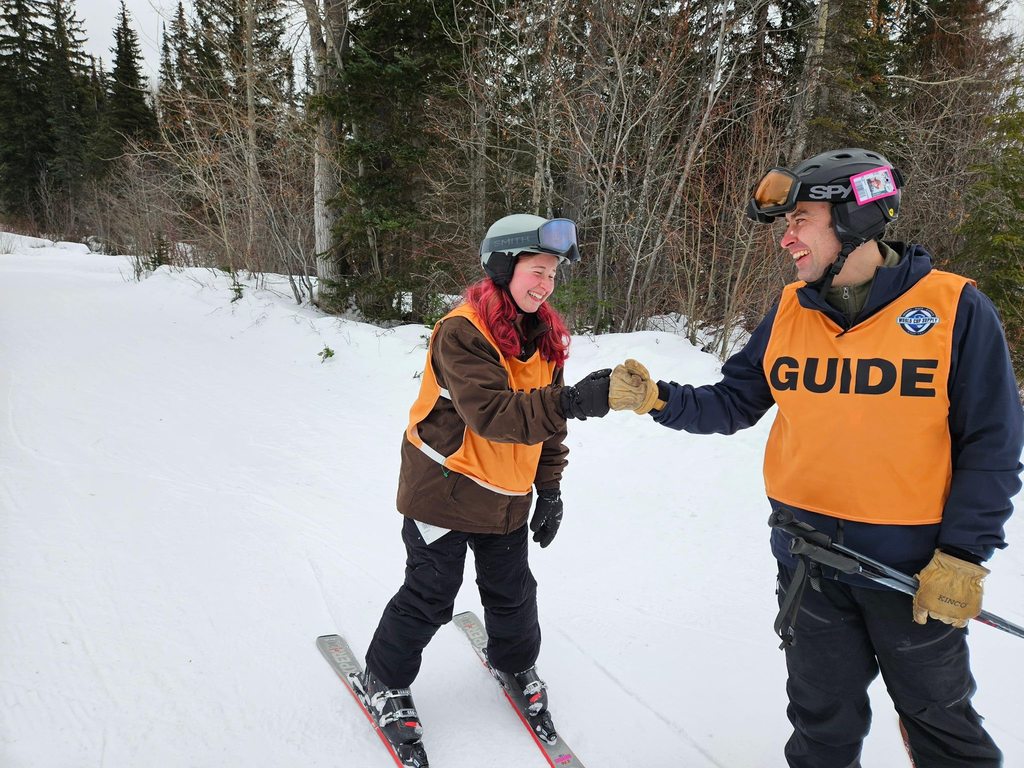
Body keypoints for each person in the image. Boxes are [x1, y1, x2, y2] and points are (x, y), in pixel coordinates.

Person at [608, 148, 1023, 767]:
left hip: (911, 571)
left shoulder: (954, 308)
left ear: (854, 218)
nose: (788, 240)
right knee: (820, 723)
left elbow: (992, 443)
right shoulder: (789, 309)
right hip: (808, 560)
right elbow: (736, 401)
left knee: (941, 724)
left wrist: (963, 556)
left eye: (801, 219)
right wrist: (657, 399)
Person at [361, 213, 611, 766]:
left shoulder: (544, 337)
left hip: (506, 493)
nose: (545, 284)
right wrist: (572, 402)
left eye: (551, 274)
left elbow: (546, 422)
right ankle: (384, 678)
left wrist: (549, 490)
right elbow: (493, 413)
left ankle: (516, 663)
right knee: (431, 593)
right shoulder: (462, 331)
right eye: (536, 270)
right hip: (444, 488)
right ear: (503, 267)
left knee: (513, 591)